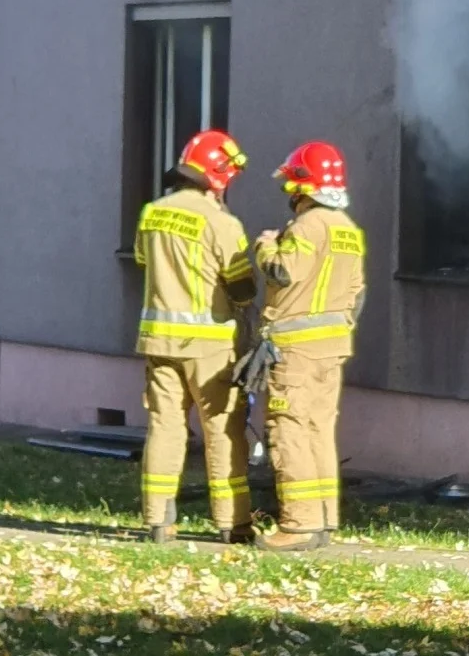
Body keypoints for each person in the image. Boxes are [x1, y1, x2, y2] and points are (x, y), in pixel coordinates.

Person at [133, 129, 257, 544]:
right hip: (209, 347)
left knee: (165, 428)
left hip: (158, 343)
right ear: (219, 176)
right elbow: (242, 287)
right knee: (222, 431)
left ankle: (158, 521)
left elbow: (139, 259)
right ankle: (232, 523)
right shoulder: (222, 223)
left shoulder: (152, 213)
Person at [252, 140, 366, 552]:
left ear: (302, 186)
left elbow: (284, 271)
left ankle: (297, 526)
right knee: (319, 431)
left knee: (291, 431)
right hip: (332, 350)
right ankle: (323, 521)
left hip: (296, 353)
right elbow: (357, 296)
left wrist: (265, 246)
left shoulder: (306, 227)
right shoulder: (348, 231)